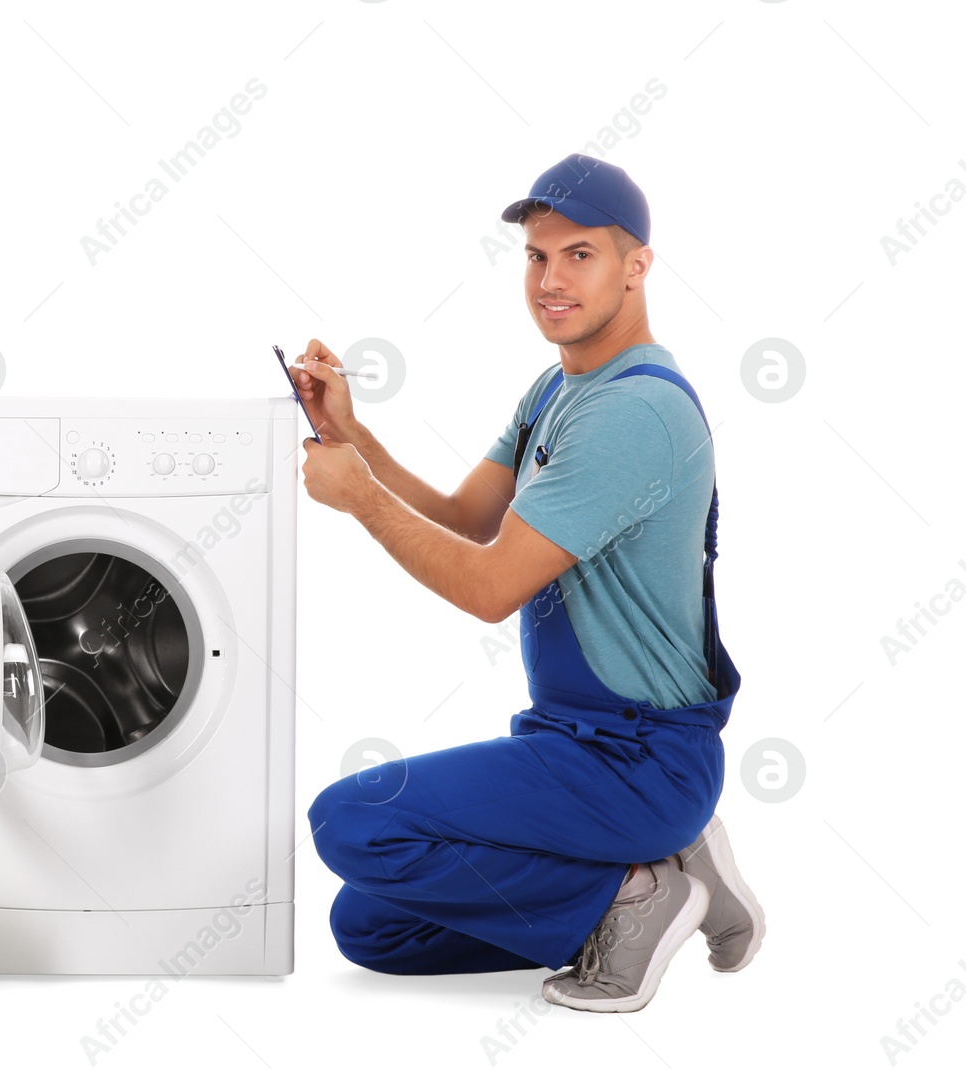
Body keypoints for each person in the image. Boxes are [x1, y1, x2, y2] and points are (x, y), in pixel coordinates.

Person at [295, 155, 764, 1012]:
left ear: (637, 266)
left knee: (350, 821)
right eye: (535, 258)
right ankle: (660, 869)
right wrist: (351, 436)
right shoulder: (558, 387)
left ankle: (635, 894)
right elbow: (471, 516)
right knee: (374, 925)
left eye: (578, 255)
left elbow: (487, 587)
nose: (550, 281)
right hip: (572, 744)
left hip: (638, 760)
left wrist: (358, 498)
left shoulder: (634, 412)